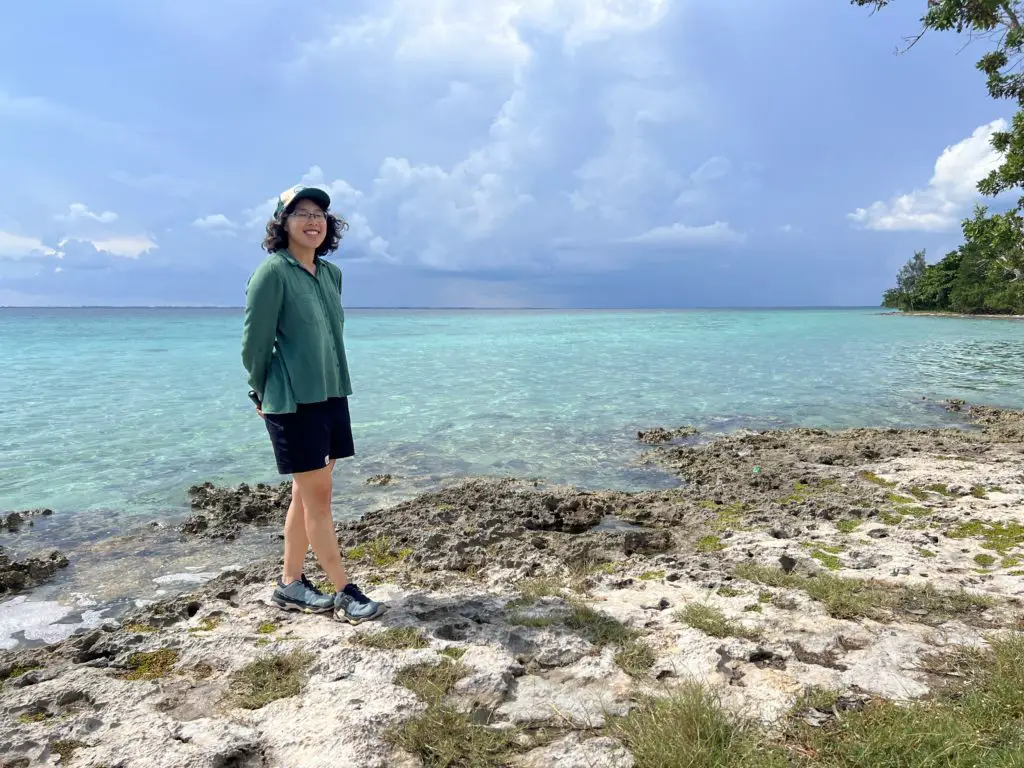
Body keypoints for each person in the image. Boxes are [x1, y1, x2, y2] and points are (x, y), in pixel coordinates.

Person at [241, 184, 386, 625]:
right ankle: (344, 591)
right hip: (293, 402)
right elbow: (255, 342)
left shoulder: (331, 275)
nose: (313, 220)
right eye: (300, 212)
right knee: (319, 501)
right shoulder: (272, 272)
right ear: (281, 224)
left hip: (330, 394)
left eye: (320, 214)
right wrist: (260, 391)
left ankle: (289, 584)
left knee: (304, 497)